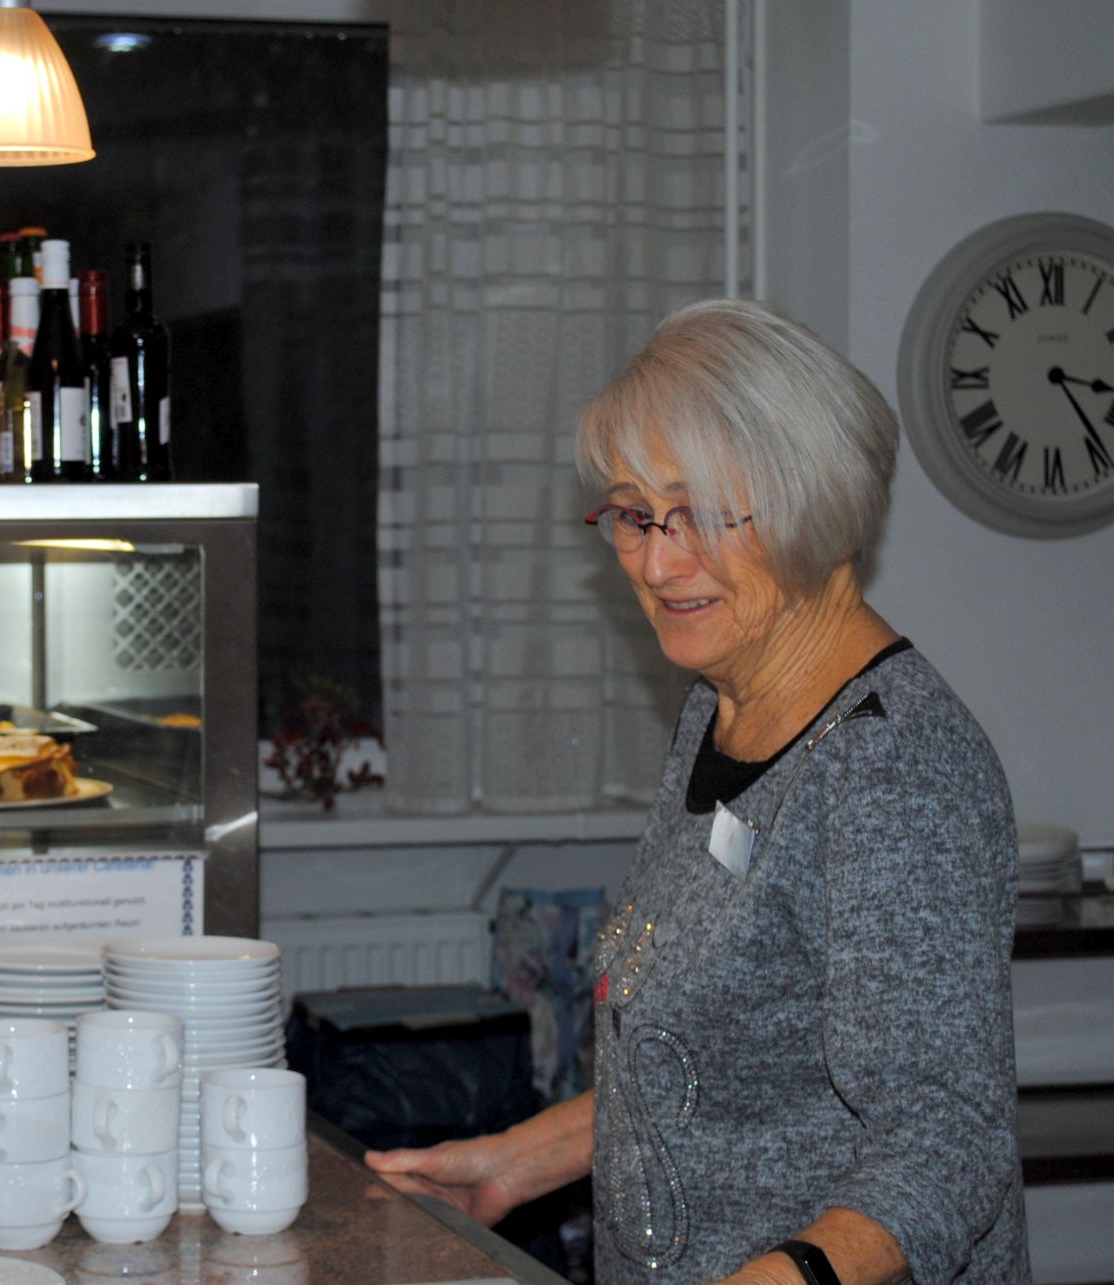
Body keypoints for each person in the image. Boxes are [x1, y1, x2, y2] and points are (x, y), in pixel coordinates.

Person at [367, 299, 1027, 1284]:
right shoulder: (719, 705)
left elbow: (946, 1148)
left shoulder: (893, 772)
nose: (658, 561)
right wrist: (519, 1161)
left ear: (814, 503)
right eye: (634, 514)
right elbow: (728, 1055)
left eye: (705, 515)